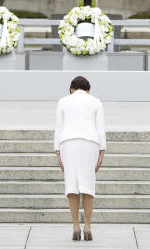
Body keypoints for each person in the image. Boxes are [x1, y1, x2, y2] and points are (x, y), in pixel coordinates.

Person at [54, 76, 106, 242]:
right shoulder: (96, 102)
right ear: (88, 90)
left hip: (68, 142)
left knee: (72, 185)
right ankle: (88, 226)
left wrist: (57, 152)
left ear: (72, 89)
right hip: (90, 142)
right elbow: (100, 127)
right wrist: (102, 151)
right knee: (88, 184)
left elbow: (59, 127)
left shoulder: (63, 101)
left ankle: (76, 225)